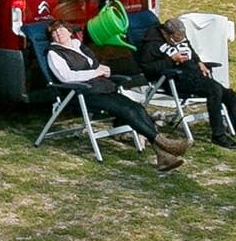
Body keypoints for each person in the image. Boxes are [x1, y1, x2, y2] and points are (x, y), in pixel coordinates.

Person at [131, 5, 236, 154]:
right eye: (176, 38)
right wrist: (171, 60)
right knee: (214, 90)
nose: (180, 41)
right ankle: (218, 135)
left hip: (194, 75)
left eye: (181, 38)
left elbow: (190, 51)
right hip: (175, 79)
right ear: (166, 33)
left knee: (230, 95)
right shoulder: (151, 44)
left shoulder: (178, 37)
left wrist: (199, 62)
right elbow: (147, 68)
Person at [42, 27, 186, 166]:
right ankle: (165, 143)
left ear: (69, 32)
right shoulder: (54, 53)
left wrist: (105, 71)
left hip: (101, 87)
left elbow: (96, 66)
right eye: (54, 33)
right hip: (81, 93)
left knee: (137, 108)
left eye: (61, 29)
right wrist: (95, 73)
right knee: (127, 111)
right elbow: (66, 77)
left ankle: (162, 154)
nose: (58, 33)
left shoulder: (80, 47)